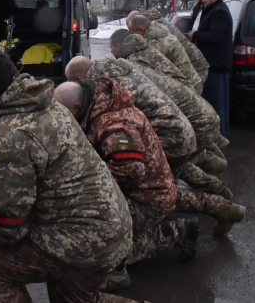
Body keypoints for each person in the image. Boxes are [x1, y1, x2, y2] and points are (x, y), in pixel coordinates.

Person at [0, 48, 139, 303]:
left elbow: (9, 222)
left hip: (80, 239)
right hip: (112, 225)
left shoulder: (8, 137)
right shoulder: (46, 104)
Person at [53, 79, 199, 291]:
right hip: (145, 191)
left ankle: (122, 264)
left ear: (76, 106)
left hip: (147, 199)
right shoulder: (97, 110)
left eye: (62, 111)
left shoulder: (113, 124)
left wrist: (86, 185)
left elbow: (130, 172)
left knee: (90, 219)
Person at [66, 56, 233, 199]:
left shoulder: (108, 87)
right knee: (173, 167)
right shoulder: (117, 69)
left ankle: (215, 206)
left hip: (171, 133)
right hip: (178, 128)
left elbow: (113, 125)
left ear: (81, 79)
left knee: (153, 188)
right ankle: (219, 193)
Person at [113, 30, 227, 170]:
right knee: (187, 142)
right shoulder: (146, 51)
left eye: (111, 48)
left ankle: (211, 171)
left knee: (169, 156)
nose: (111, 52)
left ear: (119, 46)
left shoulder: (132, 69)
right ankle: (212, 153)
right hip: (192, 98)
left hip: (186, 112)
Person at [187, 0, 233, 138]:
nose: (203, 0)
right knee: (212, 104)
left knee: (217, 105)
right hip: (211, 64)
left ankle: (220, 136)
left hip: (216, 66)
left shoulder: (219, 12)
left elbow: (216, 37)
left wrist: (196, 35)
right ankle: (215, 137)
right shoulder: (211, 10)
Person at [128, 14, 202, 92]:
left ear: (141, 30)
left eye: (132, 33)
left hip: (188, 85)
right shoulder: (158, 31)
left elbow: (150, 69)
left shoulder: (155, 42)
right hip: (190, 81)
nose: (132, 36)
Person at [137, 9, 210, 86]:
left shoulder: (156, 28)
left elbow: (156, 55)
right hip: (194, 63)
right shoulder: (159, 24)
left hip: (195, 65)